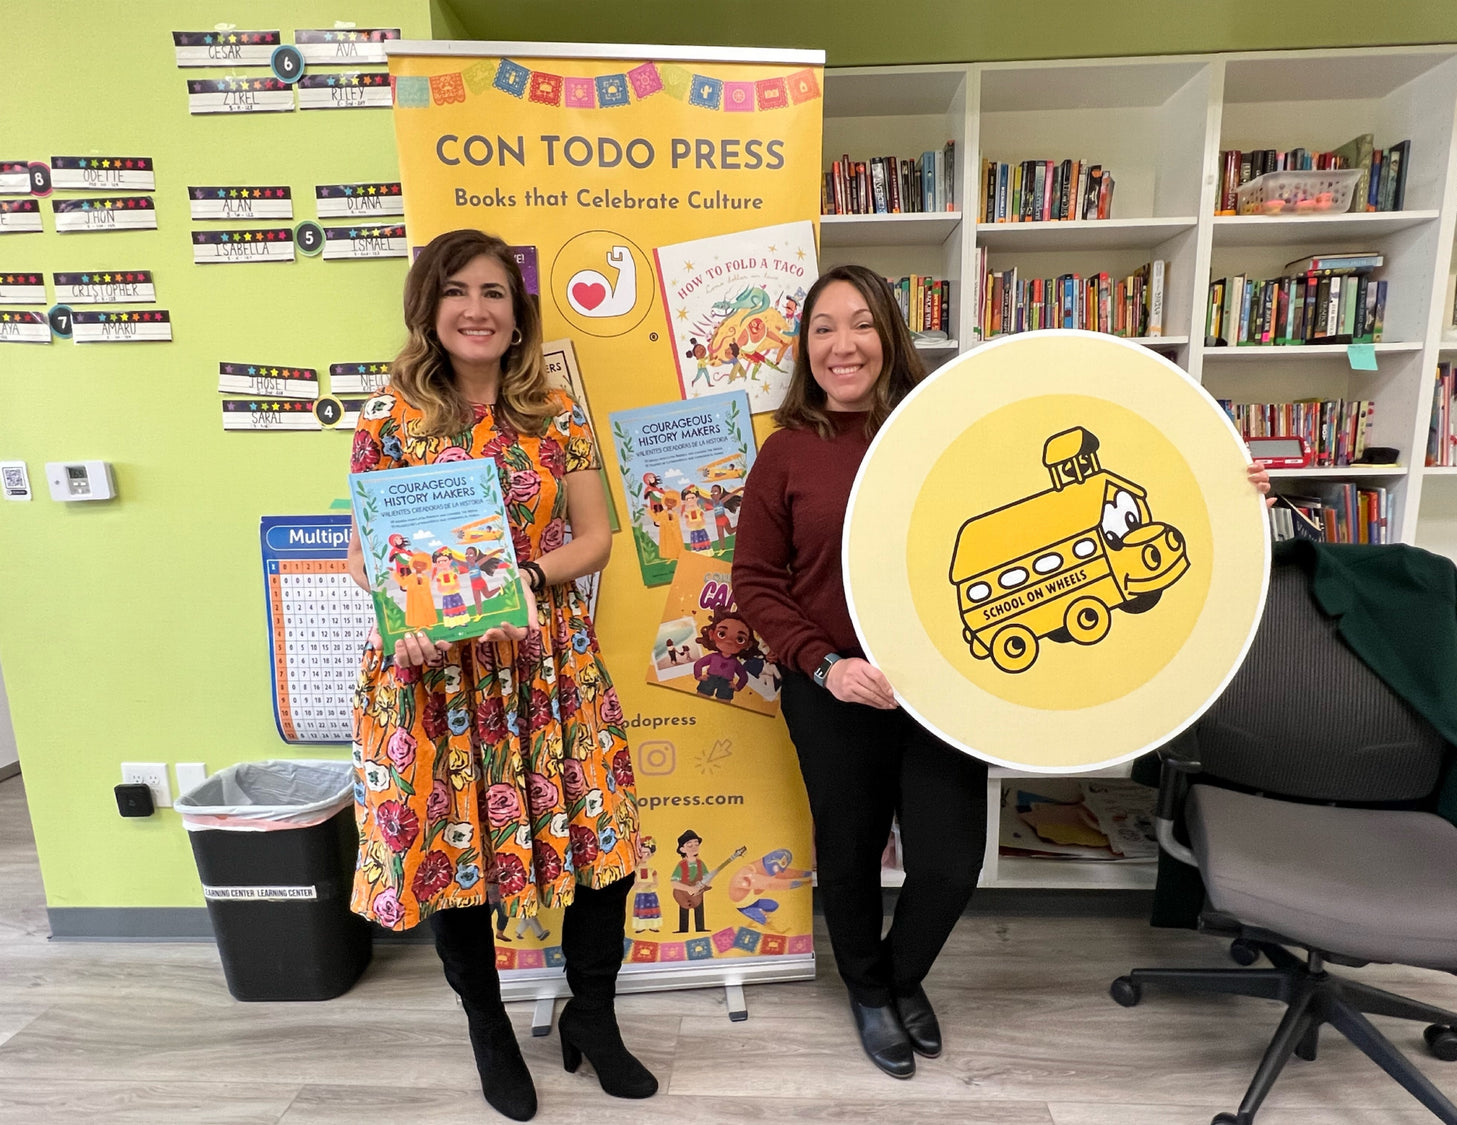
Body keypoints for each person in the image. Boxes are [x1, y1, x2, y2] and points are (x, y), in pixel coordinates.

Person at [732, 264, 1272, 1080]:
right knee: (847, 853)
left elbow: (1082, 477)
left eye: (861, 323)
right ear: (804, 347)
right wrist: (826, 663)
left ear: (890, 335)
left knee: (950, 861)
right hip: (837, 690)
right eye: (823, 328)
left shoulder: (952, 429)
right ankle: (868, 990)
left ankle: (899, 974)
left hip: (946, 694)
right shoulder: (786, 450)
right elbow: (758, 581)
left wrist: (1228, 493)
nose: (843, 345)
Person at [345, 229, 656, 1120]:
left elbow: (596, 537)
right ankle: (487, 1026)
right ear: (428, 307)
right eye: (457, 291)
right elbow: (366, 554)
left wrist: (523, 576)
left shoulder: (555, 413)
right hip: (435, 671)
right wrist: (405, 618)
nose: (477, 308)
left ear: (517, 314)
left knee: (603, 846)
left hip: (545, 657)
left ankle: (591, 1016)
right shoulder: (387, 417)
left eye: (494, 292)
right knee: (456, 858)